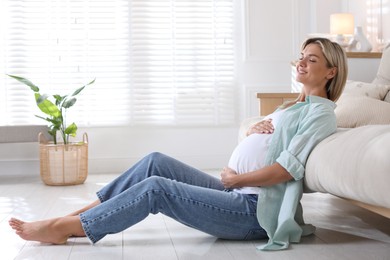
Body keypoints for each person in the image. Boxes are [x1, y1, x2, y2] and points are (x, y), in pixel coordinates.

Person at [9, 37, 348, 251]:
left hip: (254, 213)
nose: (301, 62)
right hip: (236, 194)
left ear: (331, 72)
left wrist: (236, 178)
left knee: (157, 188)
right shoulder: (292, 107)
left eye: (312, 59)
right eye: (301, 56)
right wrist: (252, 136)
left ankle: (66, 228)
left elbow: (286, 169)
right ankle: (77, 216)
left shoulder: (321, 113)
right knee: (155, 161)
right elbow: (269, 146)